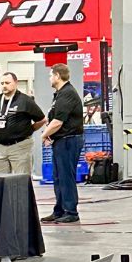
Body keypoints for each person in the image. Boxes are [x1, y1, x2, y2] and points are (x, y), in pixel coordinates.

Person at [41, 63, 84, 223]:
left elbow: (58, 121)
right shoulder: (59, 94)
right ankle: (59, 210)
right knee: (58, 177)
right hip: (60, 141)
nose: (50, 78)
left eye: (51, 75)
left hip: (69, 140)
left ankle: (71, 212)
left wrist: (44, 135)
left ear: (58, 76)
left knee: (66, 177)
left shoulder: (67, 93)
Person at [0, 72, 46, 175]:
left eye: (7, 83)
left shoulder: (25, 100)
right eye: (2, 83)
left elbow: (42, 119)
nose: (4, 86)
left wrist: (29, 130)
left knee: (21, 180)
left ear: (16, 83)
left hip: (20, 147)